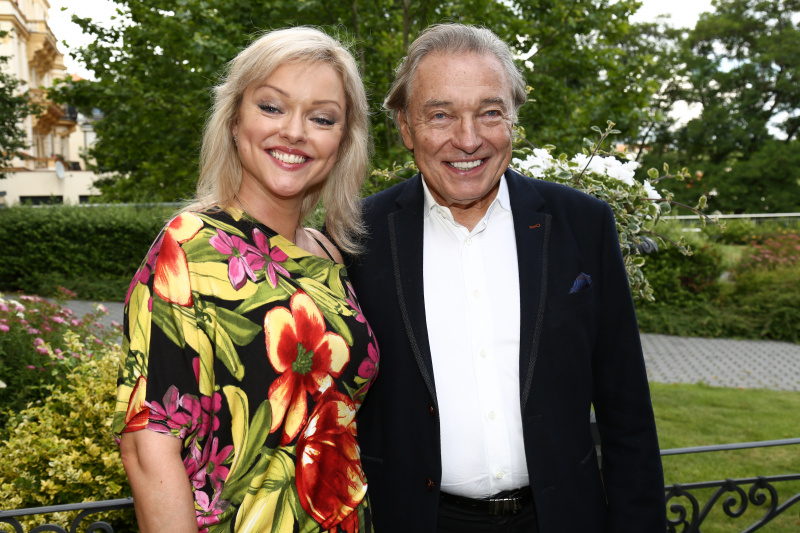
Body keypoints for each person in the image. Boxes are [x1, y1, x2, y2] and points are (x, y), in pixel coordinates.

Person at [346, 23, 665, 532]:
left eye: (490, 112)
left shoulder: (583, 224)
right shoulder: (355, 238)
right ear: (405, 127)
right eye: (441, 115)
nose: (468, 139)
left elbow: (626, 409)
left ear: (513, 118)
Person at [112, 27, 378, 532]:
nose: (295, 132)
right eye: (272, 107)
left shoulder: (328, 254)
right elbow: (149, 445)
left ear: (343, 141)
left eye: (322, 118)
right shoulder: (190, 246)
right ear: (235, 121)